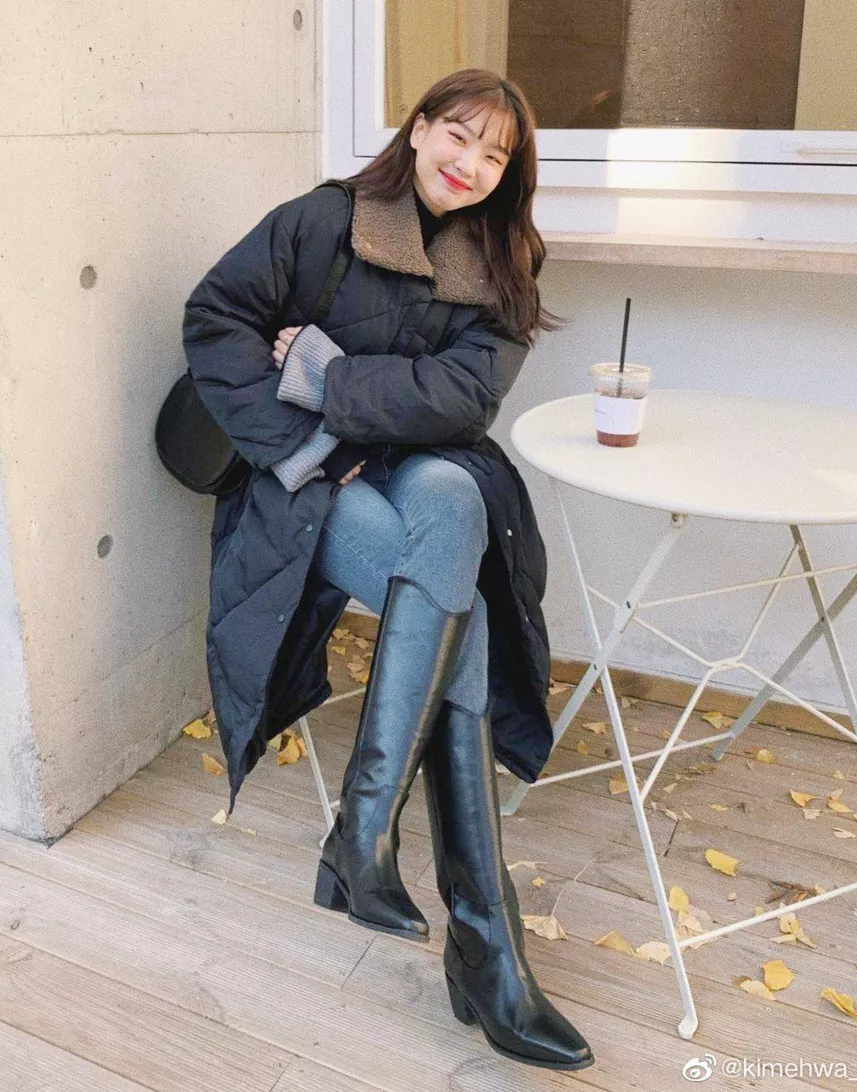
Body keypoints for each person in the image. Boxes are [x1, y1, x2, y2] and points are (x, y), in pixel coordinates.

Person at [182, 68, 594, 1072]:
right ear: (416, 130)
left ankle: (365, 838)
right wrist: (307, 443)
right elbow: (216, 320)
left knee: (455, 498)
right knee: (466, 614)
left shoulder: (505, 265)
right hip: (305, 480)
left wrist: (322, 369)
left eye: (494, 154)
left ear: (509, 174)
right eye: (457, 135)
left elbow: (463, 402)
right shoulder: (323, 222)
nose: (469, 163)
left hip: (421, 471)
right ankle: (483, 945)